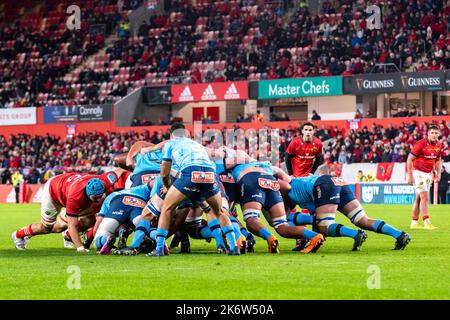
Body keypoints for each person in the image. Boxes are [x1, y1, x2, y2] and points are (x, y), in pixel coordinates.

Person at [149, 123, 239, 256]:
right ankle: (233, 247)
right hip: (209, 175)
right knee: (218, 211)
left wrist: (167, 186)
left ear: (171, 135)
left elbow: (164, 172)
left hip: (190, 172)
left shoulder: (170, 143)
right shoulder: (196, 144)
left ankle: (159, 249)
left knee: (167, 208)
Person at [280, 175, 411, 250]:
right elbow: (315, 220)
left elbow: (316, 225)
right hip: (337, 181)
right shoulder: (297, 187)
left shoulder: (291, 194)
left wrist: (311, 240)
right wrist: (312, 240)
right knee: (362, 220)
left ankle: (356, 234)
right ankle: (399, 235)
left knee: (324, 227)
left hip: (323, 184)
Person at [11, 171, 120, 252]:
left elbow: (119, 171)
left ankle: (68, 235)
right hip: (53, 192)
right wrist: (80, 248)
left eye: (100, 196)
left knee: (91, 220)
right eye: (95, 197)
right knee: (47, 227)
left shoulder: (105, 181)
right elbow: (72, 225)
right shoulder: (75, 197)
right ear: (88, 193)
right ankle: (18, 235)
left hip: (65, 185)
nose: (98, 199)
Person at [407, 125, 442, 230]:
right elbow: (410, 159)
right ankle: (427, 223)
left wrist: (438, 173)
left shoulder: (438, 145)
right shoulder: (420, 144)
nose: (434, 135)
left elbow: (438, 160)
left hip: (427, 174)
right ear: (428, 134)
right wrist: (410, 176)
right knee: (425, 197)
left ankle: (414, 223)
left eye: (436, 133)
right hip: (418, 173)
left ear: (439, 134)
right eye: (432, 133)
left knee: (418, 198)